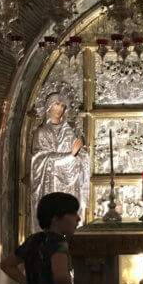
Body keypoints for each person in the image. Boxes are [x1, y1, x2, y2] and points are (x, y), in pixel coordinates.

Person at [30, 84, 90, 230]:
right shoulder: (42, 132)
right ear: (49, 107)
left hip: (70, 184)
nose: (60, 109)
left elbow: (80, 155)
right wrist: (70, 155)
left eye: (63, 106)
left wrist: (80, 154)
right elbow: (40, 159)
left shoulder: (69, 132)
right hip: (51, 183)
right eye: (57, 104)